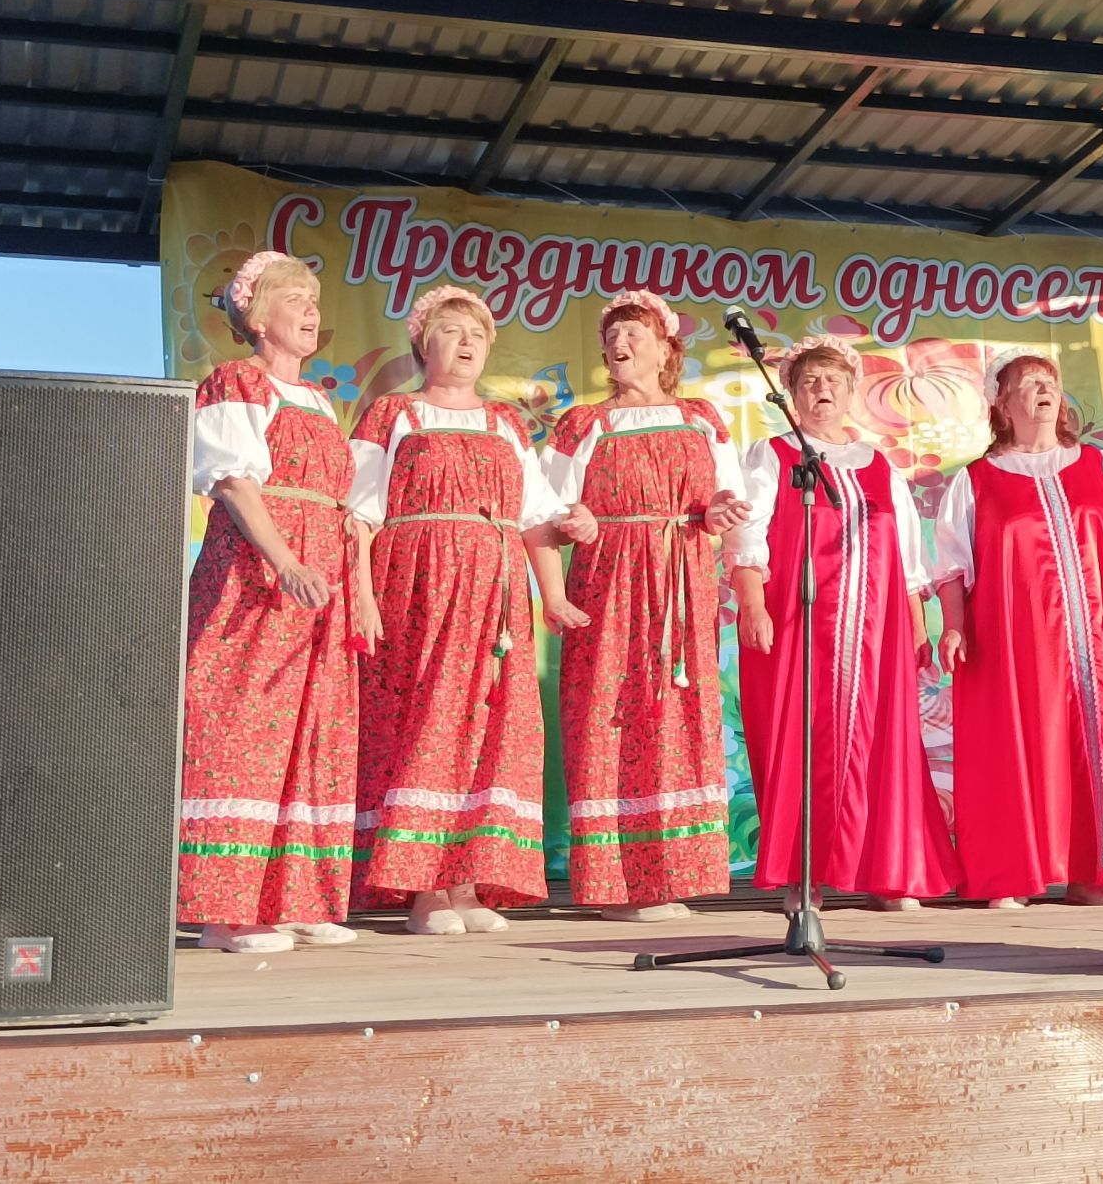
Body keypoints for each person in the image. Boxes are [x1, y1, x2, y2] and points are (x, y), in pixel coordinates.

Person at [348, 286, 596, 936]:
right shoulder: (392, 414)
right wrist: (363, 594)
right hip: (418, 584)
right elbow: (359, 516)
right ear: (421, 342)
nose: (465, 344)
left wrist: (555, 597)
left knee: (492, 723)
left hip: (496, 591)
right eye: (451, 331)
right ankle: (423, 888)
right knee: (429, 720)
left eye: (477, 335)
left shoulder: (506, 423)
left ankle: (465, 882)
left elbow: (537, 519)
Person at [178, 251, 380, 953]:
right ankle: (228, 912)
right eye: (294, 299)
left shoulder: (322, 400)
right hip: (256, 575)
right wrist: (285, 559)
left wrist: (356, 586)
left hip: (320, 577)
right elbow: (233, 484)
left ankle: (299, 895)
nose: (310, 311)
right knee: (245, 727)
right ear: (256, 317)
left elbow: (346, 506)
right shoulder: (237, 382)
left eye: (313, 299)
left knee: (314, 732)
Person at [729, 336, 961, 911]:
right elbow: (747, 538)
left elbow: (907, 555)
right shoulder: (772, 455)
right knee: (797, 740)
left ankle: (888, 871)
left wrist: (916, 625)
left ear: (852, 391)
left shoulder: (878, 464)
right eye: (809, 382)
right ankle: (800, 878)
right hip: (797, 623)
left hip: (874, 631)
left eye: (832, 381)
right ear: (791, 394)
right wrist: (753, 605)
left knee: (884, 742)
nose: (821, 390)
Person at [541, 291, 749, 923]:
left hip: (682, 578)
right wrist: (571, 518)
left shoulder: (701, 417)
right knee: (610, 712)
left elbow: (729, 500)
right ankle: (615, 884)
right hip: (609, 578)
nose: (620, 345)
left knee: (675, 716)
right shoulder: (584, 423)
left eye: (634, 334)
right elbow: (542, 507)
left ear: (666, 347)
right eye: (612, 337)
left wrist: (718, 513)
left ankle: (668, 875)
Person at [933, 349, 1103, 908]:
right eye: (1027, 382)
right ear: (1002, 403)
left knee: (1101, 742)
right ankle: (1013, 873)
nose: (1042, 389)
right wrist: (954, 627)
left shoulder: (1098, 465)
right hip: (1015, 641)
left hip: (1100, 639)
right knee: (1023, 741)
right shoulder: (977, 481)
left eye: (1048, 382)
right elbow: (953, 565)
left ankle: (1099, 869)